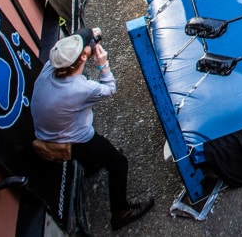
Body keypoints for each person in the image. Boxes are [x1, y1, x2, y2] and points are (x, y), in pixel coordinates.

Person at [32, 30, 154, 231]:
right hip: (74, 140)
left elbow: (79, 38)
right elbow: (109, 88)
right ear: (82, 58)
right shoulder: (82, 88)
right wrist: (103, 64)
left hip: (49, 133)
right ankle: (120, 213)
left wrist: (91, 35)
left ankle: (92, 166)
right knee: (119, 163)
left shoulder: (50, 67)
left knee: (91, 150)